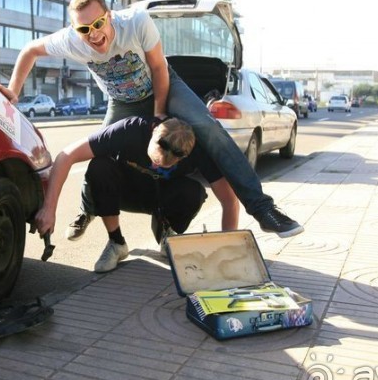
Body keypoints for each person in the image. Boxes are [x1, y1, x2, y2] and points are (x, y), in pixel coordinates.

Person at [0, 0, 304, 239]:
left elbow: (158, 68)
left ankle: (263, 209)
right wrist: (14, 90)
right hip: (121, 101)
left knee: (206, 127)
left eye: (99, 24)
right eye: (85, 29)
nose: (94, 34)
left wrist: (159, 113)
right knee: (98, 155)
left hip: (164, 85)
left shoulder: (136, 22)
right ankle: (88, 210)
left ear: (109, 16)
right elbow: (30, 51)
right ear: (76, 30)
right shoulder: (71, 41)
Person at [34, 116, 236, 272]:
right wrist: (49, 208)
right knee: (99, 166)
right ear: (154, 131)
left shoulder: (198, 151)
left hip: (157, 195)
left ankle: (167, 230)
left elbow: (229, 201)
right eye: (154, 159)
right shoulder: (129, 129)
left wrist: (228, 252)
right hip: (124, 190)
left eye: (166, 164)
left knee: (194, 192)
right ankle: (116, 243)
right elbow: (66, 156)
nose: (156, 165)